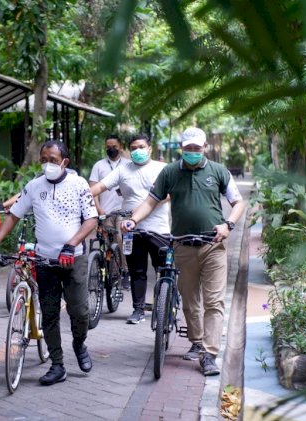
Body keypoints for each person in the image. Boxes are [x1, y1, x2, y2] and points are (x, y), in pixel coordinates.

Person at [122, 127, 245, 376]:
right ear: (182, 148)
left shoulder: (218, 171)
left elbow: (238, 202)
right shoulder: (170, 172)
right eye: (188, 148)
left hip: (213, 244)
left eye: (196, 149)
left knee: (214, 302)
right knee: (190, 301)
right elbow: (150, 201)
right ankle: (197, 341)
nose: (192, 153)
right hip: (182, 245)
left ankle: (209, 355)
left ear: (204, 148)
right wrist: (133, 220)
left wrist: (228, 224)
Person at [0, 141, 98, 386]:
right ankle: (57, 364)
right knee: (50, 313)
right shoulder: (34, 187)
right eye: (44, 159)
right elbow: (14, 216)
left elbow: (91, 221)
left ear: (65, 161)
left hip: (73, 258)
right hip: (44, 260)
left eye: (53, 159)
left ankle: (79, 343)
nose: (47, 164)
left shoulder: (79, 185)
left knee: (80, 311)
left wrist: (71, 244)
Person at [90, 133, 171, 324]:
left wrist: (148, 205)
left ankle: (164, 306)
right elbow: (100, 187)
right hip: (129, 228)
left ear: (150, 148)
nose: (138, 151)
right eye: (134, 148)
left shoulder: (162, 169)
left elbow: (170, 194)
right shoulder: (122, 169)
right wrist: (76, 193)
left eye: (141, 147)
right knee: (137, 270)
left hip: (158, 228)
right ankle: (138, 309)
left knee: (163, 269)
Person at [88, 134, 130, 290]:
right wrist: (98, 209)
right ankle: (112, 274)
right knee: (107, 243)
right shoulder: (99, 166)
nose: (111, 149)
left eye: (114, 146)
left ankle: (125, 272)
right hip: (105, 211)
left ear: (120, 146)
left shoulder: (128, 164)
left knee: (120, 239)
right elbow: (93, 190)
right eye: (108, 146)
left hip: (123, 211)